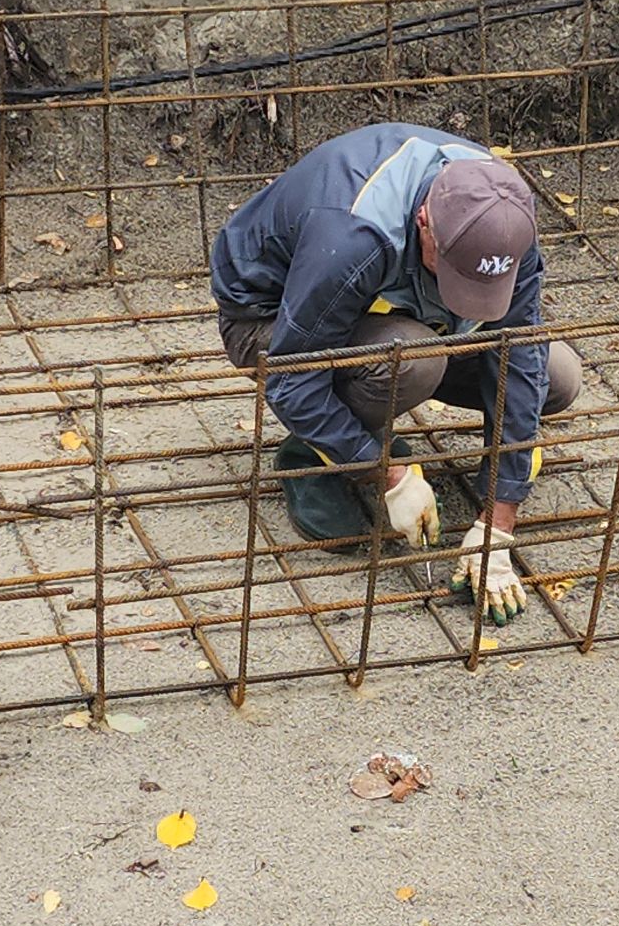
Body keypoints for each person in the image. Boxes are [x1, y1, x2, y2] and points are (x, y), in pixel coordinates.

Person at [210, 123, 582, 625]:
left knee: (557, 378)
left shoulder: (506, 220)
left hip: (401, 308)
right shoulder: (354, 230)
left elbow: (518, 355)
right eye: (456, 271)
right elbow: (290, 373)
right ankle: (314, 456)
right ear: (425, 221)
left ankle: (361, 423)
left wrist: (500, 514)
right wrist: (386, 474)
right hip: (272, 319)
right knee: (413, 360)